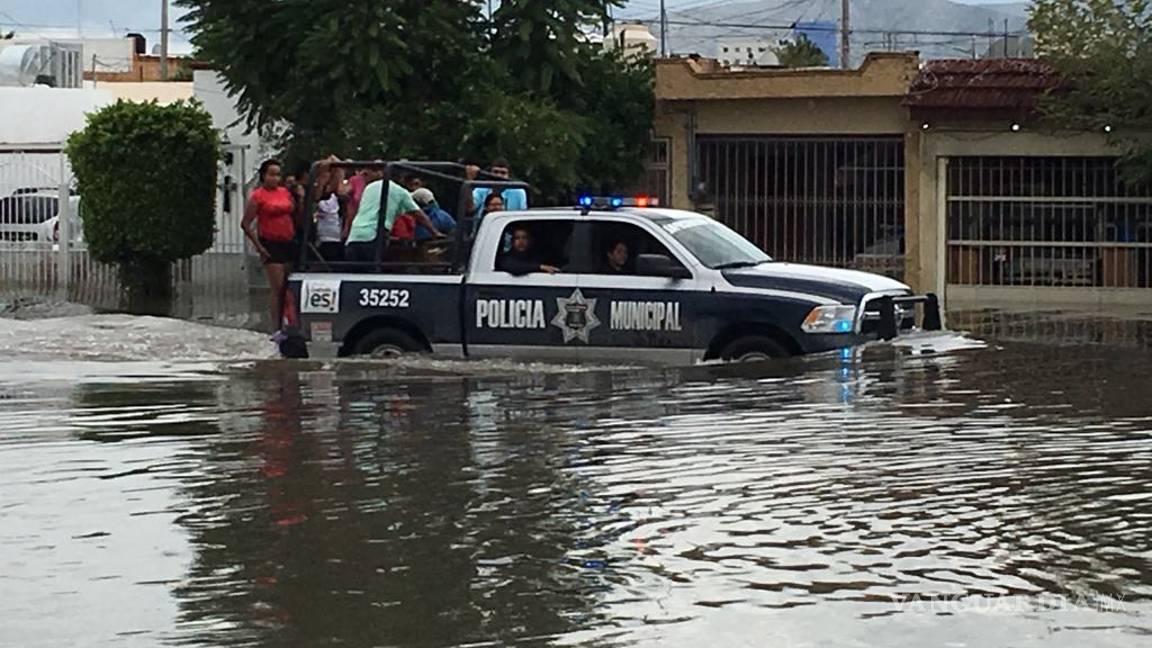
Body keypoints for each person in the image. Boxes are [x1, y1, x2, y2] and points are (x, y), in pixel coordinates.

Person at [242, 158, 297, 333]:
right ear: (264, 176)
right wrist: (259, 247)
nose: (275, 178)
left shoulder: (284, 192)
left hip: (288, 241)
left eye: (278, 175)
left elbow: (294, 210)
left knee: (289, 287)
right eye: (271, 174)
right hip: (270, 243)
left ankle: (291, 322)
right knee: (278, 288)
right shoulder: (258, 196)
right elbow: (246, 223)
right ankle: (277, 327)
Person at [344, 177, 445, 266]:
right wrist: (435, 233)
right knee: (373, 273)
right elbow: (420, 216)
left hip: (354, 236)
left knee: (354, 273)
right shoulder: (400, 192)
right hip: (373, 236)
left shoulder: (370, 187)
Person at [312, 160, 348, 264]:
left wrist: (336, 165)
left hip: (338, 238)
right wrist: (322, 176)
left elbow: (339, 177)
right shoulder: (316, 195)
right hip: (324, 239)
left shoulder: (335, 196)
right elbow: (317, 197)